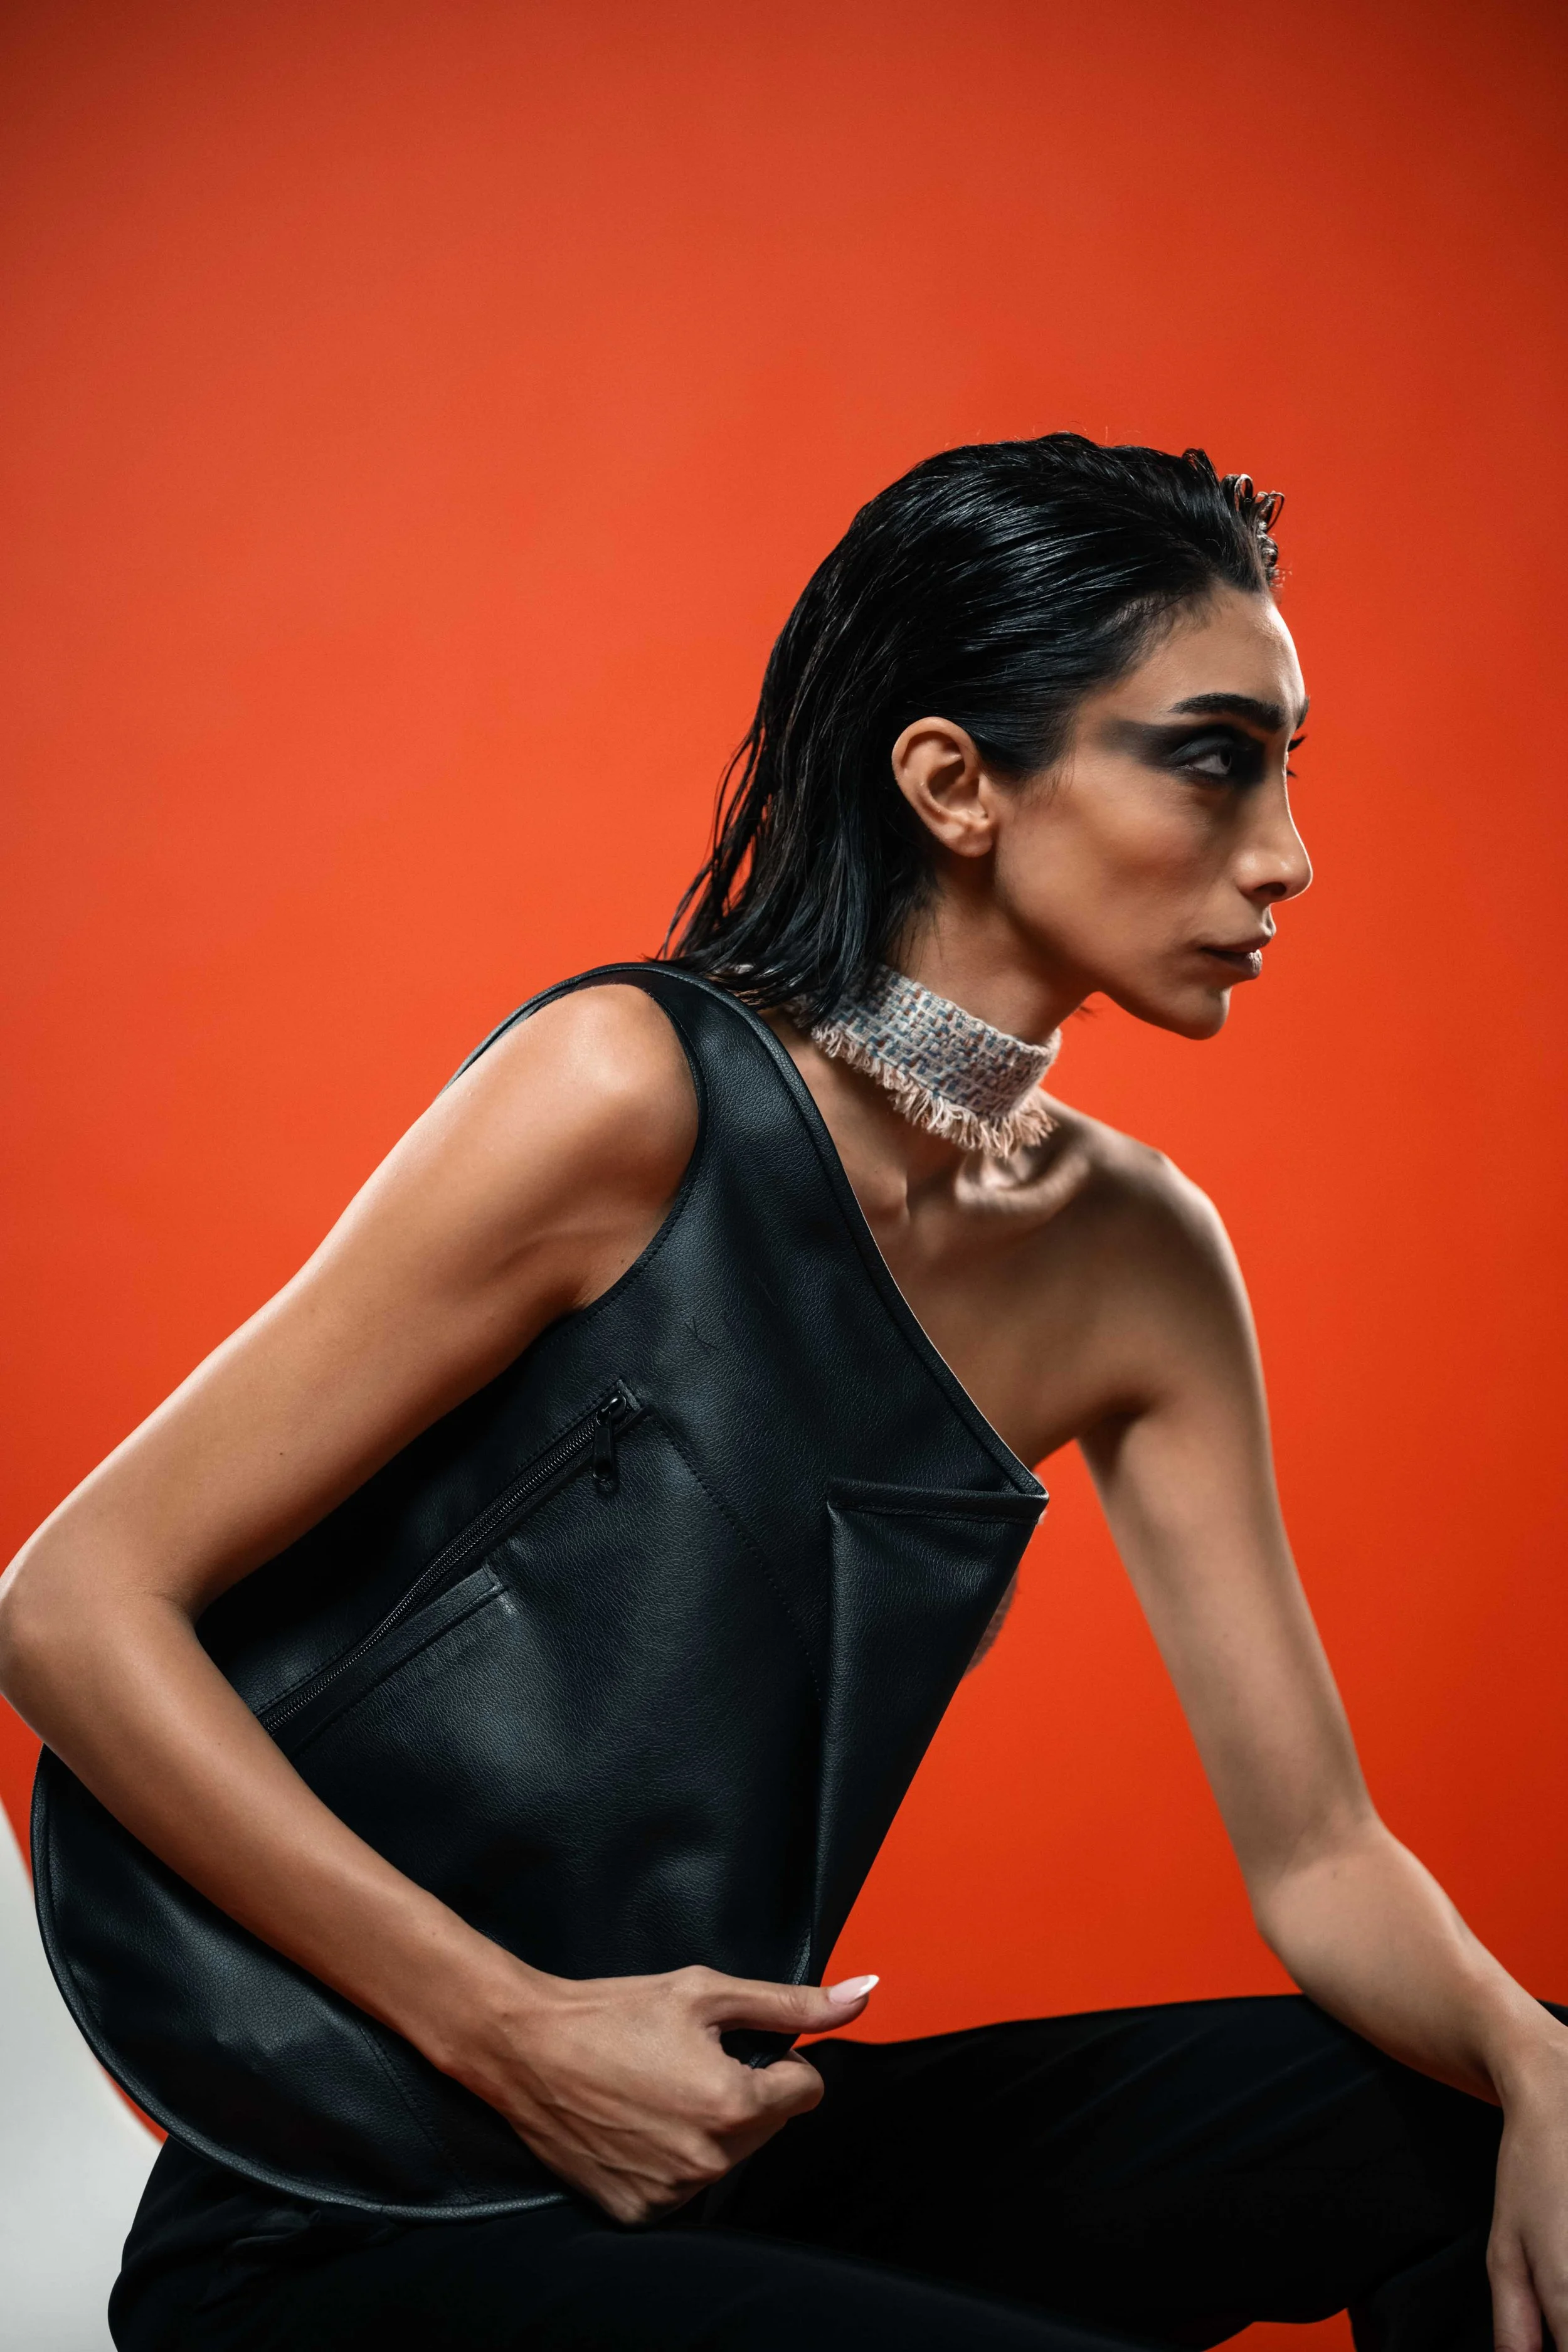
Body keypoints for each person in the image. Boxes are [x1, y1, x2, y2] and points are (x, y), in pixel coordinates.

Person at [1, 435, 1562, 2352]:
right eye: (1213, 755)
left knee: (1496, 2125)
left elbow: (1318, 1853)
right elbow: (69, 1605)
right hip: (353, 2216)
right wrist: (523, 2031)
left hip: (726, 2164)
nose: (1287, 853)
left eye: (1289, 765)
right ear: (952, 783)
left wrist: (1528, 2057)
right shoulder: (627, 1090)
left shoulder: (1135, 1257)